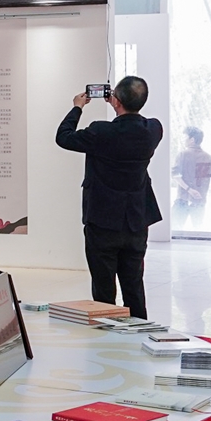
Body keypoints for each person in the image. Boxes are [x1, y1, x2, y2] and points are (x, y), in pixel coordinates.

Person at [55, 76, 164, 318]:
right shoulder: (153, 130)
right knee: (134, 284)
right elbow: (130, 126)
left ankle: (108, 332)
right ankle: (139, 329)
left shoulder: (100, 132)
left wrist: (77, 107)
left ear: (116, 101)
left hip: (102, 220)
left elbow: (63, 136)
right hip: (136, 220)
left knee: (103, 288)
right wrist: (117, 103)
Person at [172, 126, 211, 216]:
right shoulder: (210, 158)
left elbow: (175, 175)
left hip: (182, 200)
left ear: (192, 140)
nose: (183, 140)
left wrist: (189, 190)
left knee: (176, 223)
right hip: (199, 202)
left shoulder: (182, 155)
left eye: (185, 137)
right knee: (197, 224)